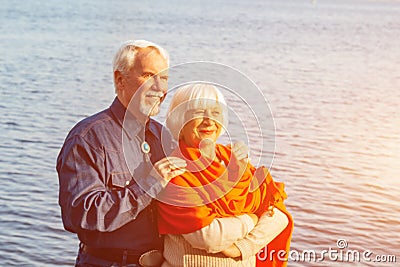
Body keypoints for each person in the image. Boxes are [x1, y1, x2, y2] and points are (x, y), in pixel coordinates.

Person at [56, 40, 187, 267]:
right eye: (148, 76)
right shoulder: (88, 138)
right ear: (120, 79)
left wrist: (228, 161)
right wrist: (149, 185)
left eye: (164, 78)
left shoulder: (164, 136)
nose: (159, 88)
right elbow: (81, 215)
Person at [157, 84, 294, 267]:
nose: (209, 121)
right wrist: (252, 218)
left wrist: (243, 247)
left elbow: (278, 214)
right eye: (199, 112)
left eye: (215, 112)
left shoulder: (235, 161)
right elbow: (207, 237)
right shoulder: (175, 171)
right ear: (179, 119)